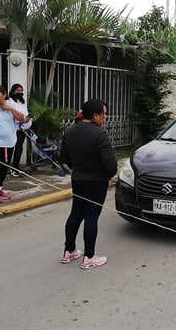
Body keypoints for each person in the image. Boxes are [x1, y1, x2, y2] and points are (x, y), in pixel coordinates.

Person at [59, 99, 117, 270]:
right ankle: (89, 256)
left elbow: (64, 158)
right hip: (96, 182)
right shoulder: (100, 134)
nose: (106, 117)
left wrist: (78, 168)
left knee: (76, 214)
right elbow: (111, 165)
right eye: (104, 113)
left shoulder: (70, 131)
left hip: (78, 180)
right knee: (91, 217)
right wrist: (107, 175)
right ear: (95, 115)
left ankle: (69, 251)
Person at [8, 84, 31, 177]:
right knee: (14, 148)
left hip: (23, 129)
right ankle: (11, 169)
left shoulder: (21, 101)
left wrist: (28, 117)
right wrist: (22, 119)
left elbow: (24, 112)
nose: (20, 92)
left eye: (21, 90)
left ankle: (16, 166)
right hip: (14, 129)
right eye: (18, 90)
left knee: (19, 148)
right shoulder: (9, 101)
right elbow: (12, 114)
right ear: (13, 91)